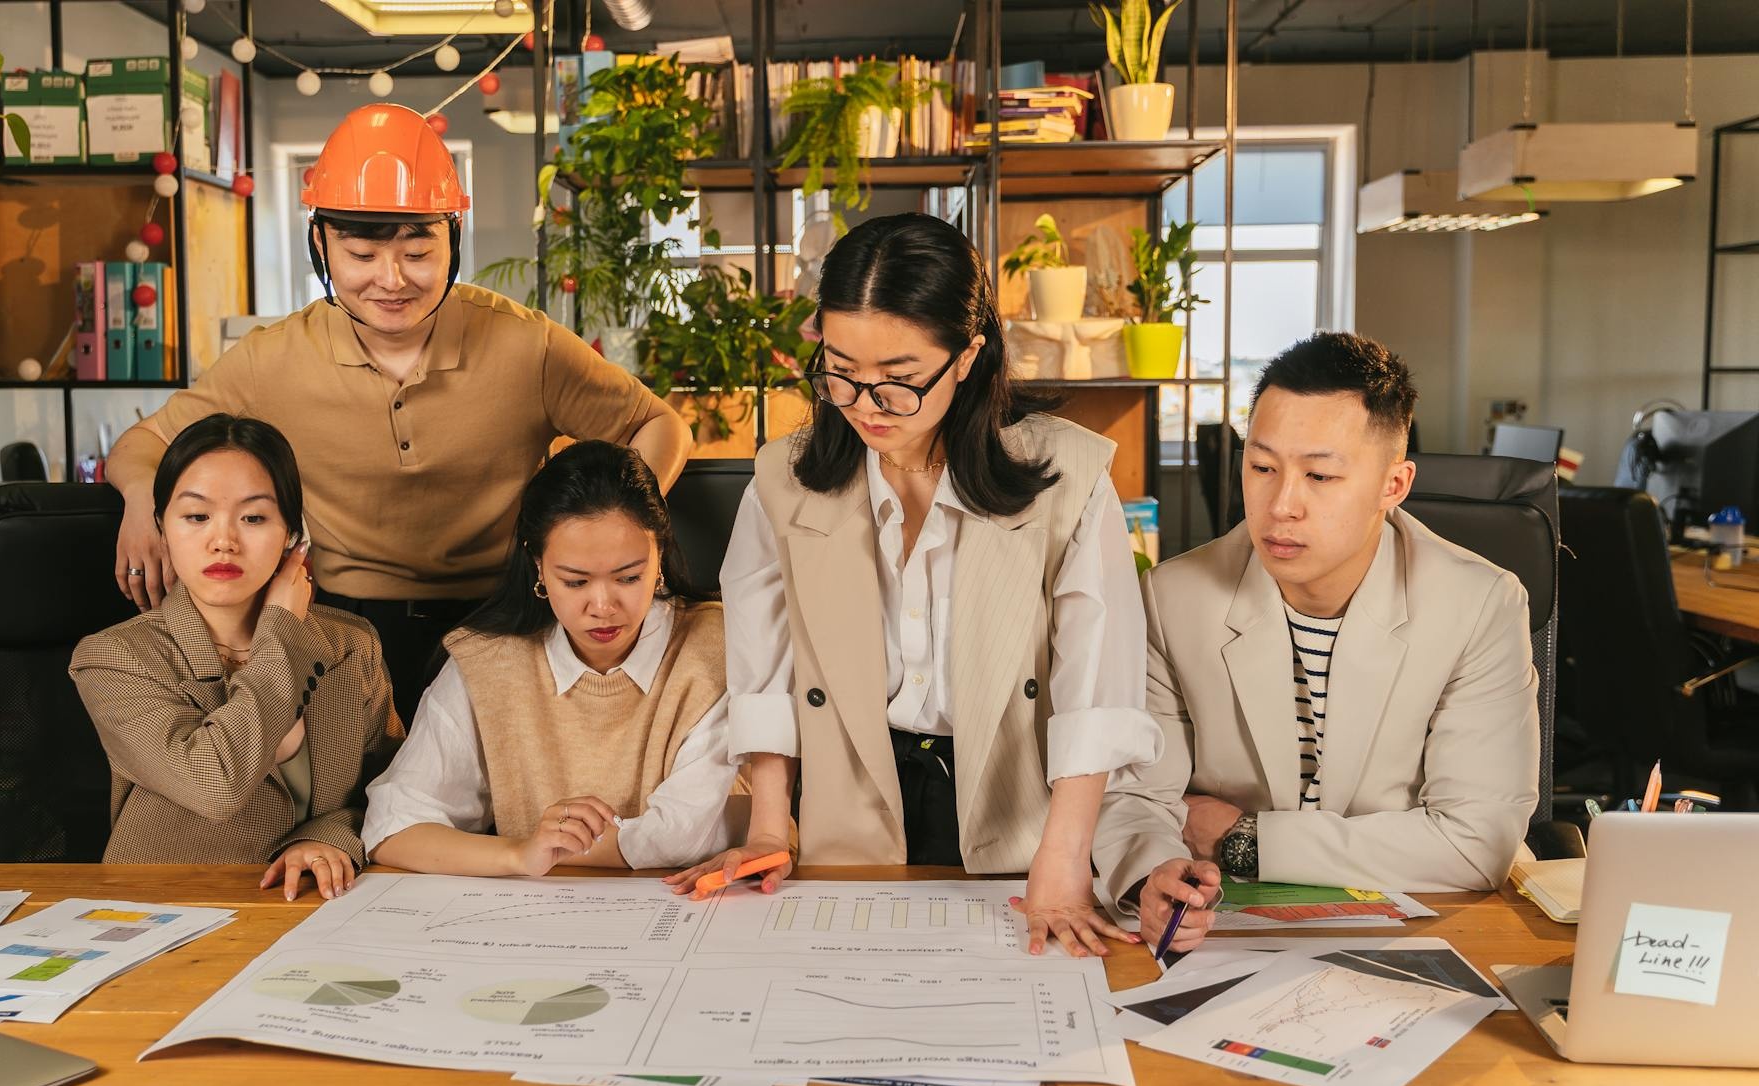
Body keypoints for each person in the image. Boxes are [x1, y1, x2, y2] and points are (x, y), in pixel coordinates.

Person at [670, 212, 1164, 958]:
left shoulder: (1068, 478)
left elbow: (1095, 687)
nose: (866, 405)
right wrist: (771, 825)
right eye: (840, 371)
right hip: (852, 800)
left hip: (1017, 805)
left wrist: (1063, 860)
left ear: (967, 356)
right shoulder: (784, 477)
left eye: (900, 381)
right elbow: (764, 667)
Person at [105, 103, 692, 724]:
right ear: (320, 245)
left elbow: (659, 425)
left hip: (506, 622)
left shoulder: (527, 346)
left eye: (418, 253)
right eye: (360, 256)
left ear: (453, 240)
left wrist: (614, 530)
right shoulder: (271, 359)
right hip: (339, 631)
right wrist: (143, 497)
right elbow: (144, 442)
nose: (391, 281)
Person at [1100, 332, 1540, 953]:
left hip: (1421, 934)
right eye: (1261, 467)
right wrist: (1154, 872)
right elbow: (1139, 798)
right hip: (1226, 932)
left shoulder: (1480, 604)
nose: (1282, 505)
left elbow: (1473, 845)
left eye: (1321, 476)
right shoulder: (1172, 599)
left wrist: (1241, 841)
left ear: (1394, 484)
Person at [362, 440, 738, 876]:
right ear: (538, 566)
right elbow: (393, 824)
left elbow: (682, 833)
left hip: (705, 912)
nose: (602, 606)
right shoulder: (487, 663)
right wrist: (521, 854)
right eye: (576, 582)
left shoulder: (719, 644)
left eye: (629, 577)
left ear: (659, 558)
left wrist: (561, 850)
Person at [72, 415, 404, 897]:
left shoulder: (350, 645)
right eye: (196, 516)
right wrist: (281, 634)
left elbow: (398, 792)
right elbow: (215, 785)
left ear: (292, 533)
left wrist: (326, 835)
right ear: (162, 529)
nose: (223, 540)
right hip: (164, 910)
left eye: (253, 517)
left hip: (317, 913)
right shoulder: (117, 659)